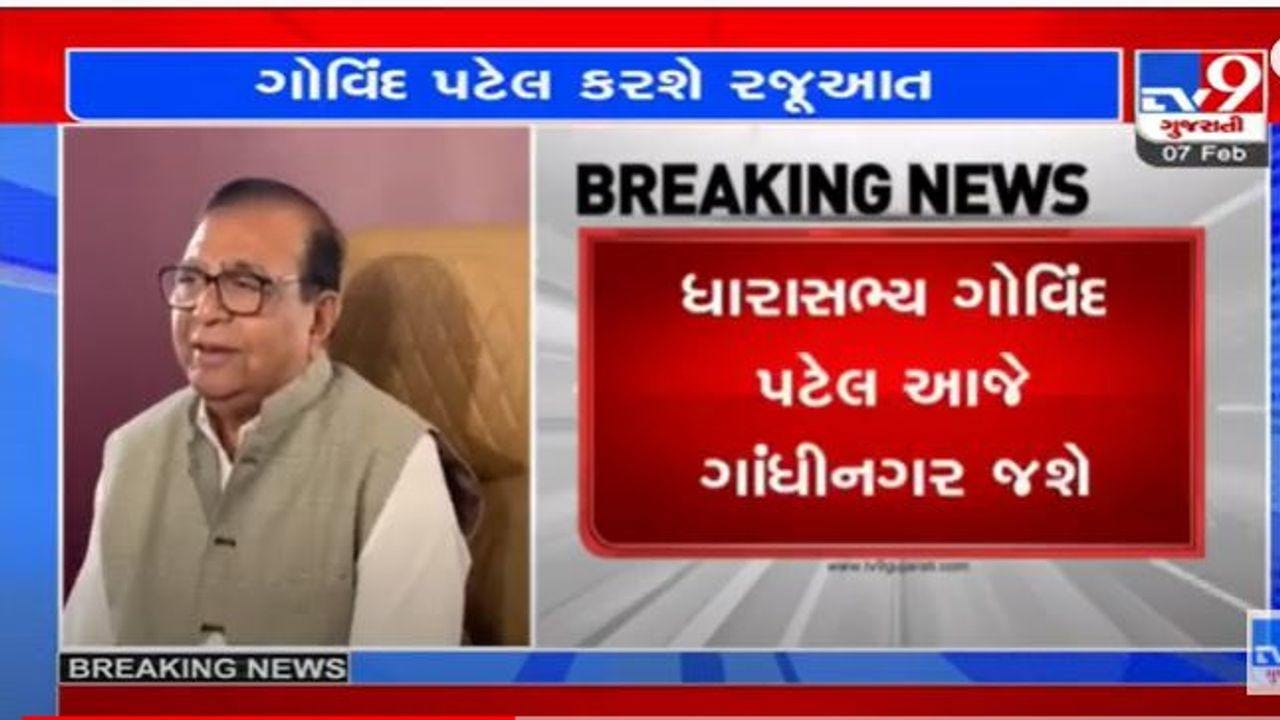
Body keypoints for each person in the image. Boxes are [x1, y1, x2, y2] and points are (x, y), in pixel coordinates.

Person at [64, 177, 479, 646]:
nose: (204, 310)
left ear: (319, 319)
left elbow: (402, 684)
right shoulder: (130, 451)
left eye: (244, 285)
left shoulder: (397, 460)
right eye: (191, 279)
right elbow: (80, 660)